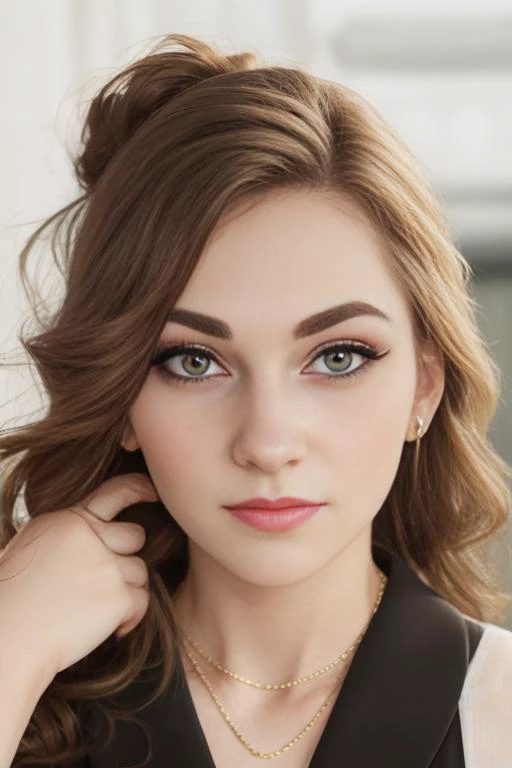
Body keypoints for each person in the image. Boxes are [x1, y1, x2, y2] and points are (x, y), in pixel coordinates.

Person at [1, 32, 511, 768]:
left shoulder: (500, 710)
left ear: (424, 384)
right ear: (122, 401)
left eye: (338, 358)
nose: (268, 443)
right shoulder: (29, 690)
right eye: (194, 361)